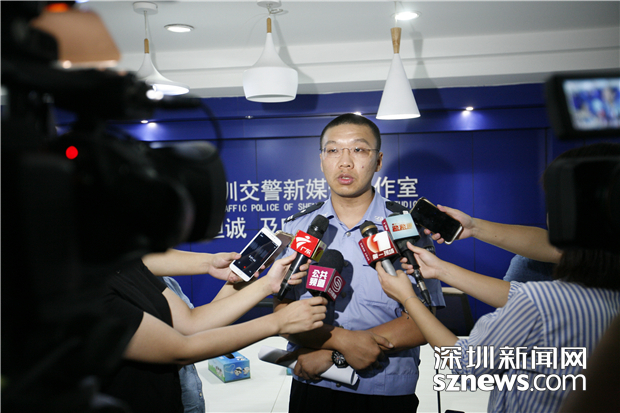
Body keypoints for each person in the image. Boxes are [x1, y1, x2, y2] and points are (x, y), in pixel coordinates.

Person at [375, 143, 620, 412]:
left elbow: (464, 363)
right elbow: (522, 297)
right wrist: (441, 269)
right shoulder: (603, 299)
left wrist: (408, 298)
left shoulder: (539, 302)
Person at [273, 113, 445, 413]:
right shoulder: (298, 228)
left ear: (378, 161)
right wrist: (341, 342)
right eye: (333, 150)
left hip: (383, 386)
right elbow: (282, 310)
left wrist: (336, 356)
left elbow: (424, 321)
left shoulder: (405, 228)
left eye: (358, 149)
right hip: (312, 382)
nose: (345, 162)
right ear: (321, 159)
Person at [101, 250, 328, 413]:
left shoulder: (125, 266)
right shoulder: (91, 290)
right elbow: (182, 348)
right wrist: (277, 322)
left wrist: (267, 284)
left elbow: (190, 323)